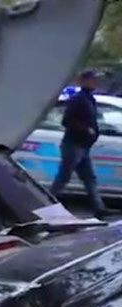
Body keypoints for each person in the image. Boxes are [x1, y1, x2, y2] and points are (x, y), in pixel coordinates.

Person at [51, 70, 113, 218]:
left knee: (89, 178)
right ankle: (45, 204)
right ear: (84, 81)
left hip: (83, 146)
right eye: (93, 80)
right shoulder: (78, 99)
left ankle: (99, 208)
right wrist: (87, 130)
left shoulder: (89, 99)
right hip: (73, 145)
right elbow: (67, 120)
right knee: (64, 177)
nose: (96, 83)